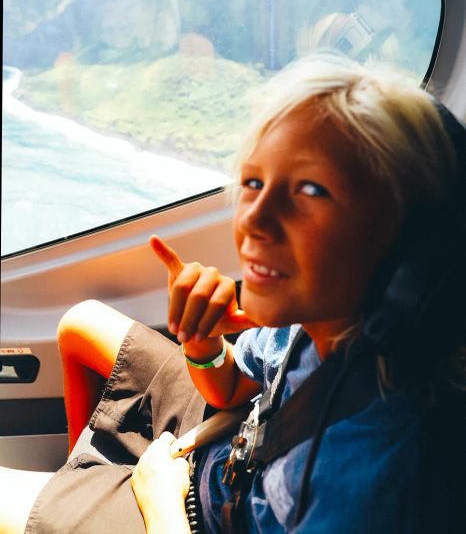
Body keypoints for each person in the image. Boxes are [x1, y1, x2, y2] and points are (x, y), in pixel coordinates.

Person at [1, 53, 464, 534]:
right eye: (254, 182)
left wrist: (157, 501)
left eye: (309, 190)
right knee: (80, 323)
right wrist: (202, 346)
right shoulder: (311, 322)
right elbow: (230, 389)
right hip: (234, 452)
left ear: (408, 246)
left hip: (195, 515)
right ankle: (77, 496)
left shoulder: (369, 483)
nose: (253, 221)